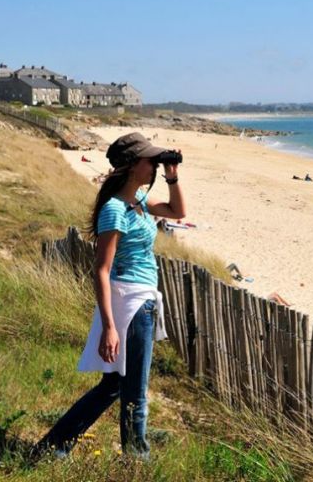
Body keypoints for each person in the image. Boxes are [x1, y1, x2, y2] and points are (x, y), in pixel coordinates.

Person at [35, 132, 185, 460]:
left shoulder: (139, 202)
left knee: (114, 387)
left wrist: (173, 177)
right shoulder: (115, 210)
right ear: (132, 166)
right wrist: (109, 326)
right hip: (129, 305)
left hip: (137, 301)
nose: (155, 167)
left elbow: (177, 211)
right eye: (151, 161)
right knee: (135, 393)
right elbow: (101, 269)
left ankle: (53, 447)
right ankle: (136, 462)